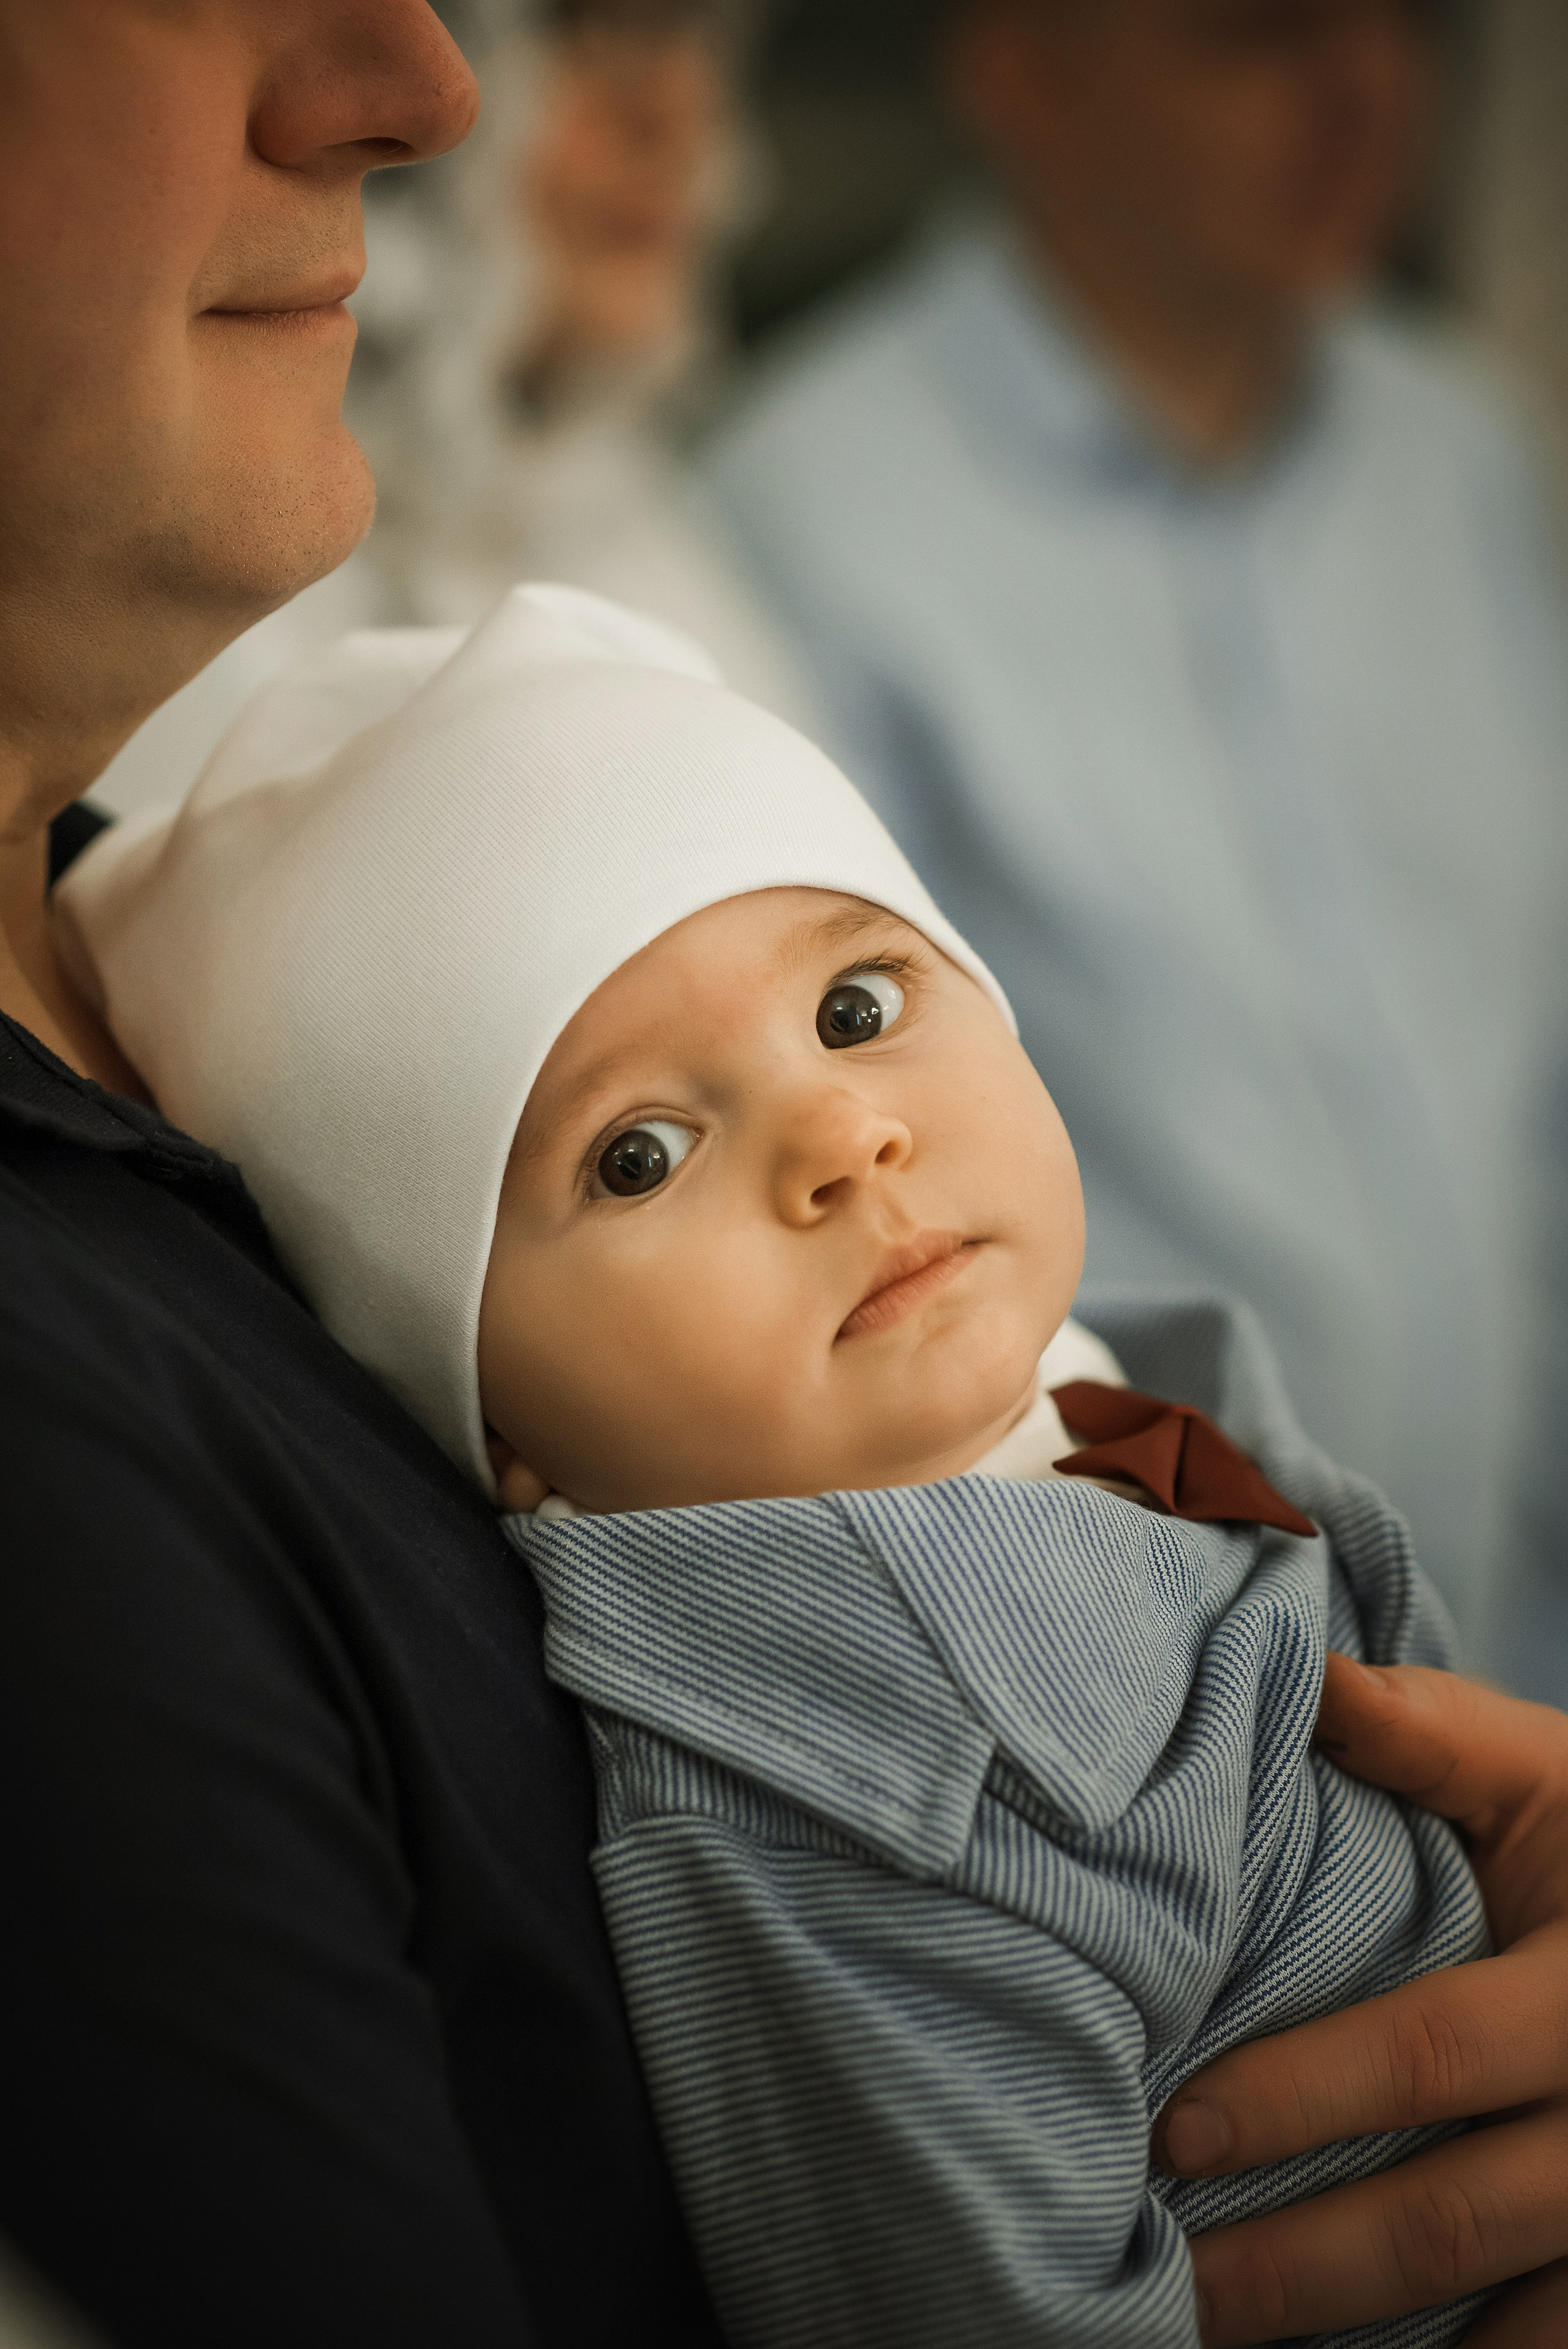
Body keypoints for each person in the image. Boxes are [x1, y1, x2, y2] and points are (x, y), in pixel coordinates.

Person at [3, 6, 1567, 2345]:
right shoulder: (843, 1799)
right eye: (636, 1149)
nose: (415, 80)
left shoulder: (1140, 1420)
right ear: (505, 1437)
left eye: (863, 1008)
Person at [704, 0, 1568, 1700]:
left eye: (1408, 24)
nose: (1363, 90)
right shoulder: (794, 519)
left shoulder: (1460, 454)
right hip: (1156, 1721)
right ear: (1018, 71)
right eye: (1259, 34)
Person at [90, 0, 809, 826]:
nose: (673, 118)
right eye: (582, 36)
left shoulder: (664, 549)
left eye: (699, 46)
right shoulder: (196, 607)